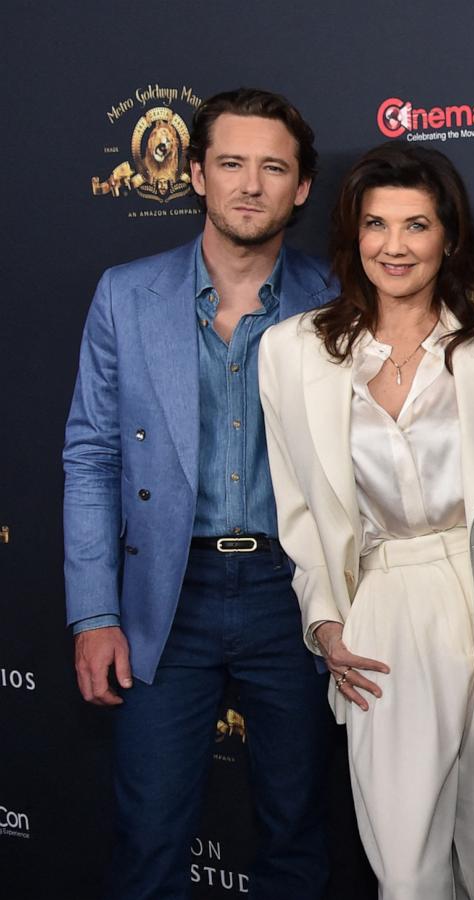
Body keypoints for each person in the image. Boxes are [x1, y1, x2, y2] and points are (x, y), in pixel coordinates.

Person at [258, 142, 474, 899]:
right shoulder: (292, 352)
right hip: (384, 607)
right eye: (375, 225)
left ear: (449, 236)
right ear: (352, 234)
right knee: (405, 866)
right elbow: (298, 508)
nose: (394, 246)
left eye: (416, 225)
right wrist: (325, 620)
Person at [63, 87, 334, 899]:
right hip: (163, 595)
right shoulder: (124, 295)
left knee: (299, 829)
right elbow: (92, 455)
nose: (250, 185)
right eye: (230, 164)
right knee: (149, 837)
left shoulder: (337, 301)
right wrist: (95, 612)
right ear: (195, 174)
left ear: (302, 187)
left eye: (272, 167)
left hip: (294, 595)